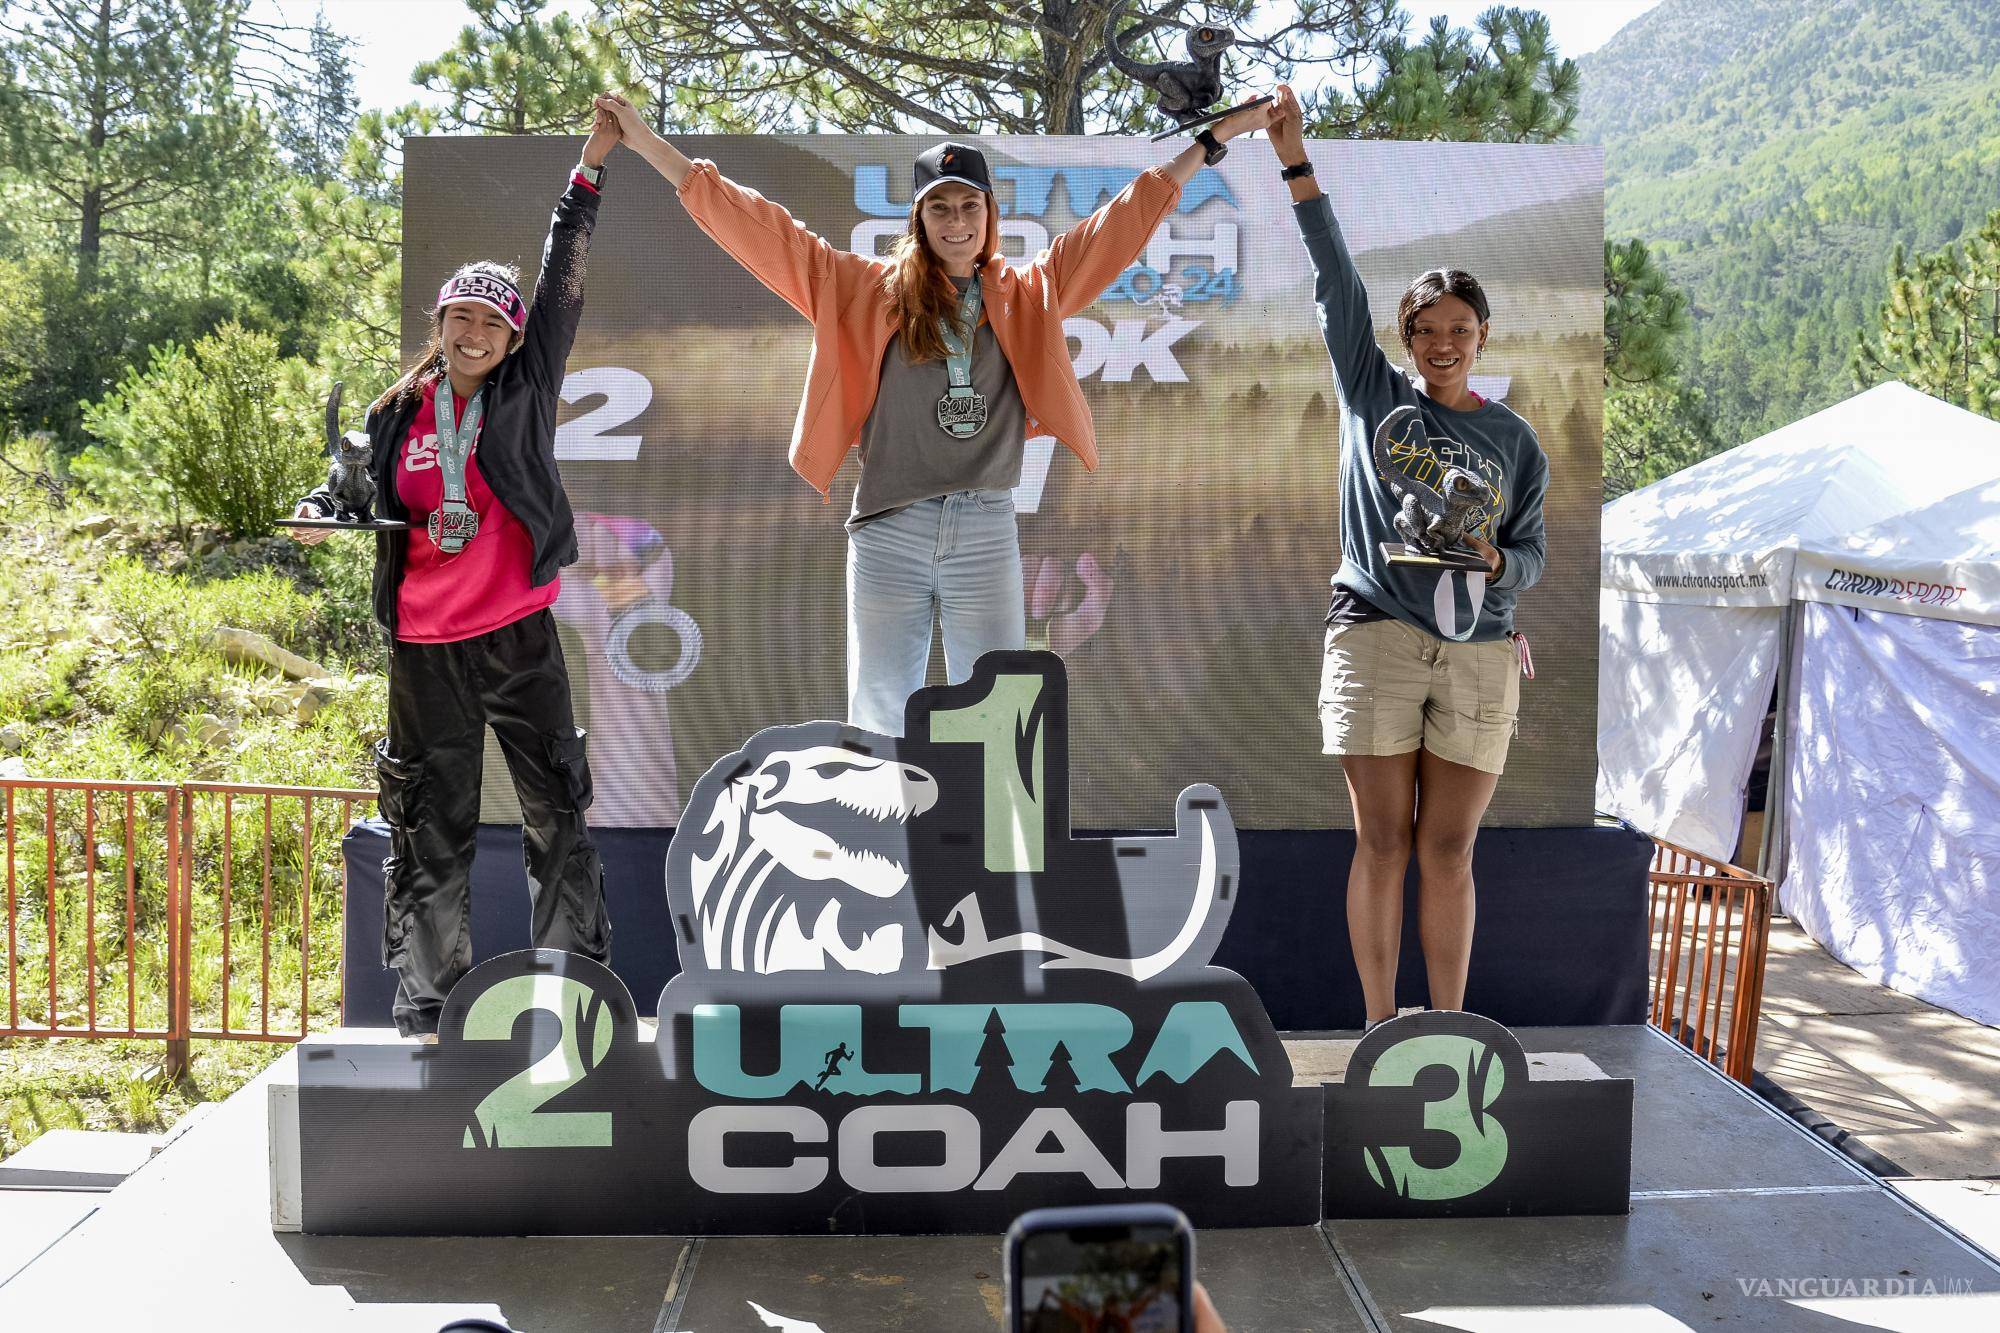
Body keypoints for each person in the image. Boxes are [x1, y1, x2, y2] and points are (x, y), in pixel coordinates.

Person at [592, 91, 1275, 735]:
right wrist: (649, 143)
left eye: (969, 208)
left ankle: (1003, 862)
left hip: (984, 528)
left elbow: (1122, 223)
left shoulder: (1030, 290)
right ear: (918, 219)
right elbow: (757, 227)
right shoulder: (862, 289)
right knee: (883, 710)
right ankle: (885, 856)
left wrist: (1211, 140)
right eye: (939, 208)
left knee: (1002, 710)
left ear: (989, 218)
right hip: (890, 526)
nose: (956, 223)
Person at [288, 105, 622, 1038]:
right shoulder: (397, 412)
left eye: (491, 321)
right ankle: (431, 1007)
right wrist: (322, 513)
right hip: (425, 652)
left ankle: (573, 993)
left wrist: (587, 170)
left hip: (518, 635)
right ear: (439, 325)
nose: (474, 332)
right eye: (460, 317)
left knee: (557, 813)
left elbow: (561, 279)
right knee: (430, 832)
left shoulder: (527, 387)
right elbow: (344, 492)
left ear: (516, 338)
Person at [1265, 85, 1548, 1028]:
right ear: (1404, 337)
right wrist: (1296, 159)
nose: (1441, 345)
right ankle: (1384, 1031)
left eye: (1459, 331)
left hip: (1476, 652)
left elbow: (1532, 552)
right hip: (1376, 633)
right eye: (1426, 331)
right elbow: (1334, 271)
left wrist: (1499, 571)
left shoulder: (1514, 440)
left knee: (1451, 851)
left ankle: (1451, 1031)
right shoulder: (1372, 392)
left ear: (1483, 337)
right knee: (1382, 843)